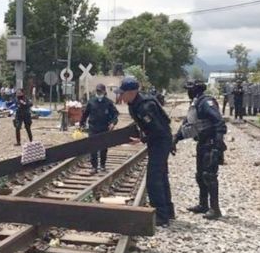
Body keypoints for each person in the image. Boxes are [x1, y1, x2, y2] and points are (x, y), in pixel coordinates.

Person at [115, 76, 174, 227]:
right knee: (161, 175)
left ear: (132, 92)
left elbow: (158, 130)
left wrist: (142, 140)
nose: (121, 96)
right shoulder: (134, 104)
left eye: (123, 93)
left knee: (154, 179)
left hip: (160, 141)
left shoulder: (145, 106)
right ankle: (168, 211)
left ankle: (161, 216)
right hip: (158, 140)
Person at [175, 80, 227, 220]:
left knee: (209, 175)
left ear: (195, 90)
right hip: (202, 142)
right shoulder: (196, 103)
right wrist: (175, 139)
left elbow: (219, 122)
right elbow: (188, 125)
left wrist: (218, 143)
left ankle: (215, 209)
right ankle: (203, 204)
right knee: (200, 175)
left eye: (189, 89)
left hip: (211, 143)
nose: (187, 92)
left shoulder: (206, 102)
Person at [80, 83, 119, 173]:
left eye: (100, 91)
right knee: (93, 148)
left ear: (104, 91)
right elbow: (85, 114)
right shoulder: (91, 102)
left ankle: (102, 165)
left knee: (103, 148)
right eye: (97, 91)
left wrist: (113, 123)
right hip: (93, 128)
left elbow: (115, 114)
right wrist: (82, 123)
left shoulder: (109, 102)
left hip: (104, 128)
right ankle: (94, 167)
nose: (99, 92)